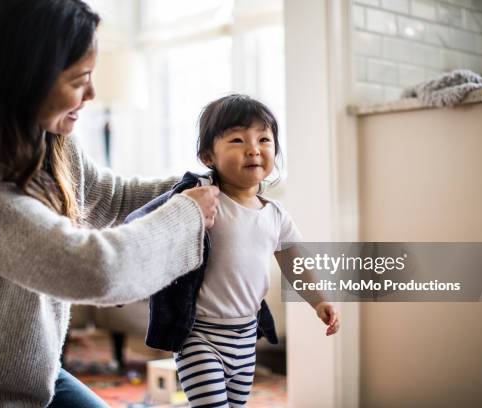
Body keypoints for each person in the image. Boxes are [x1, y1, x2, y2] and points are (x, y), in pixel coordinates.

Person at [0, 0, 218, 406]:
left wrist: (207, 182)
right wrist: (188, 216)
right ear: (28, 79)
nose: (92, 93)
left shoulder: (51, 144)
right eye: (80, 78)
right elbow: (94, 269)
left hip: (31, 373)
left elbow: (113, 197)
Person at [127, 94, 341, 407]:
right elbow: (148, 225)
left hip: (245, 339)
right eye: (238, 140)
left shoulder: (275, 214)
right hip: (199, 336)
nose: (254, 148)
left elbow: (295, 263)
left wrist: (319, 300)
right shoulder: (201, 201)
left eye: (264, 139)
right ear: (208, 157)